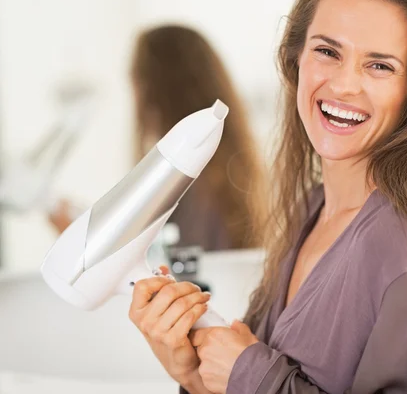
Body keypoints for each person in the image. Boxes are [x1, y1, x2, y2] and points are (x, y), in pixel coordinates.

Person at [128, 0, 407, 394]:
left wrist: (251, 376)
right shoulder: (313, 208)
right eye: (327, 52)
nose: (344, 85)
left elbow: (252, 379)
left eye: (380, 65)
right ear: (296, 61)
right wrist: (193, 376)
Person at [49, 24, 266, 253]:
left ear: (152, 91)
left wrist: (84, 247)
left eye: (136, 83)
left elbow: (166, 275)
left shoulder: (186, 181)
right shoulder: (227, 172)